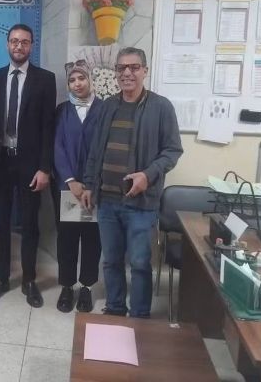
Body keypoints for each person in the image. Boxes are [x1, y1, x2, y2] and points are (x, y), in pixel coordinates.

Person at [81, 47, 183, 318]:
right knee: (111, 260)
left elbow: (172, 151)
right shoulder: (108, 106)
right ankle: (115, 308)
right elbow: (95, 150)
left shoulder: (161, 107)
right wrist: (89, 185)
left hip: (141, 203)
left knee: (139, 263)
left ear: (145, 71)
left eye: (134, 67)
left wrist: (148, 175)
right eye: (121, 68)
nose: (127, 73)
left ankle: (139, 316)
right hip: (107, 201)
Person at [0, 24, 56, 308]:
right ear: (7, 44)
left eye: (24, 42)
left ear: (31, 45)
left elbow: (48, 127)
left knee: (29, 225)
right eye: (14, 41)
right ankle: (0, 278)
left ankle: (29, 280)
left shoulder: (45, 80)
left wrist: (45, 168)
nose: (19, 46)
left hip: (30, 166)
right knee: (0, 224)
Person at [53, 60, 103, 313]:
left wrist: (91, 184)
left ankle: (86, 287)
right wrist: (70, 180)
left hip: (95, 189)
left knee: (92, 239)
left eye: (81, 78)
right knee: (67, 238)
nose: (77, 84)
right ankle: (67, 285)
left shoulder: (105, 109)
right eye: (72, 80)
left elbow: (104, 148)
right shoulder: (62, 110)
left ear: (90, 79)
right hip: (68, 189)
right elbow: (57, 146)